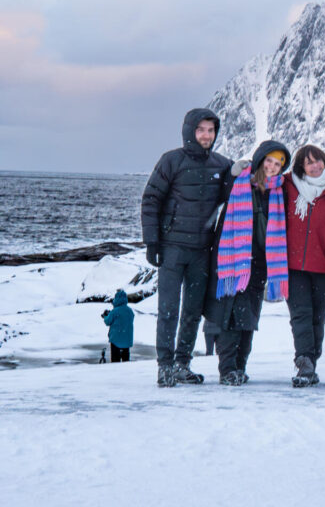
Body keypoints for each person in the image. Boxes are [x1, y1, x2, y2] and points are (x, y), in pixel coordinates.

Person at [141, 108, 231, 387]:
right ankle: (165, 367)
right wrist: (152, 241)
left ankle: (182, 364)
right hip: (172, 248)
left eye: (211, 130)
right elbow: (151, 200)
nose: (206, 135)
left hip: (202, 251)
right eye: (201, 130)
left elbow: (235, 194)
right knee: (168, 310)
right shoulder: (171, 161)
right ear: (190, 131)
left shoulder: (221, 165)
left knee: (192, 311)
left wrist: (240, 172)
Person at [204, 140, 291, 386]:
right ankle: (227, 369)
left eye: (278, 164)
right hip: (233, 262)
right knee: (229, 318)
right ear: (260, 160)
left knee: (249, 319)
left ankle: (240, 367)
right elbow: (220, 192)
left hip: (259, 265)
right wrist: (233, 173)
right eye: (269, 161)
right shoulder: (240, 184)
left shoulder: (278, 191)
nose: (272, 167)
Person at [284, 144, 325, 387]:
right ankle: (304, 362)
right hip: (293, 265)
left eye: (318, 160)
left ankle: (311, 362)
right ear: (301, 167)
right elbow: (262, 179)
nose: (315, 166)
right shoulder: (288, 184)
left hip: (324, 266)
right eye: (309, 162)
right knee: (301, 315)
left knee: (317, 318)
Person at [102, 289, 134, 362]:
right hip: (127, 340)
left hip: (115, 340)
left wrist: (105, 316)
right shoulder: (130, 311)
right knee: (126, 361)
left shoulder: (115, 311)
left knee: (115, 362)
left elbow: (107, 322)